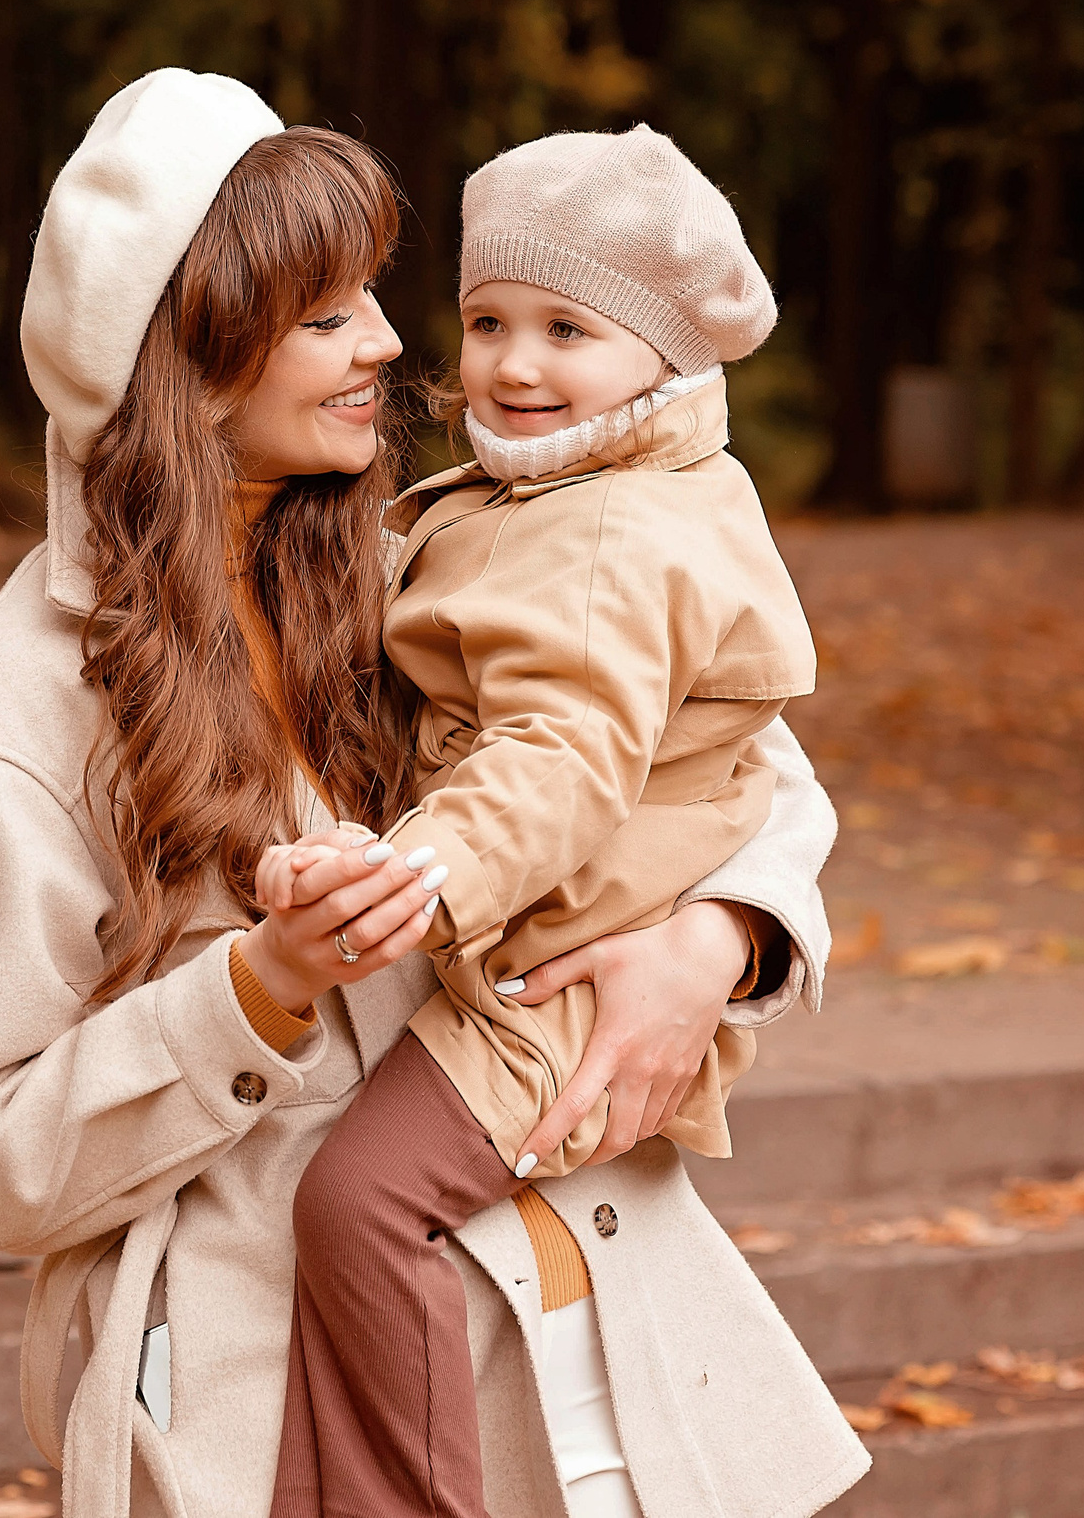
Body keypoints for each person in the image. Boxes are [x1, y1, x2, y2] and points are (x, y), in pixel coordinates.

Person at [0, 68, 868, 1518]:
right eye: (328, 314)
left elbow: (734, 751)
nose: (393, 343)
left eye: (376, 295)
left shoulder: (410, 564)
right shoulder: (17, 705)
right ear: (194, 350)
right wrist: (259, 990)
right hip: (279, 1413)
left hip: (596, 1339)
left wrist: (714, 943)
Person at [271, 126, 824, 1518]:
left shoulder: (603, 542)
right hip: (553, 947)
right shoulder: (559, 491)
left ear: (662, 355)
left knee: (361, 1203)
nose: (516, 365)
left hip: (556, 983)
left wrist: (419, 879)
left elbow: (563, 758)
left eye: (569, 328)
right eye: (489, 321)